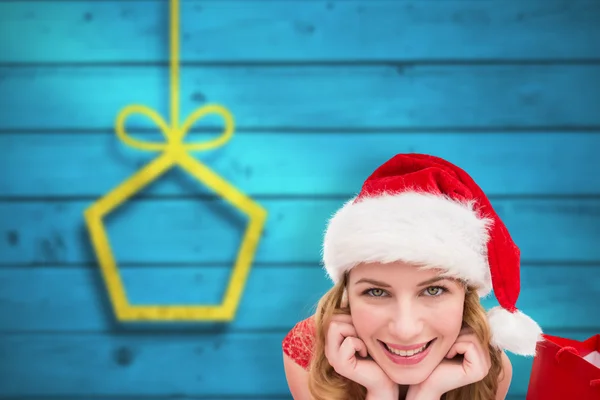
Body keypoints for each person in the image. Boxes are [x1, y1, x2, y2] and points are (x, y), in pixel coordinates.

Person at [281, 153, 543, 400]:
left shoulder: (488, 370)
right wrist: (380, 393)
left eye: (433, 290)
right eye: (376, 292)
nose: (405, 330)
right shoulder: (311, 351)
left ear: (466, 294)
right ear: (347, 293)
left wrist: (426, 394)